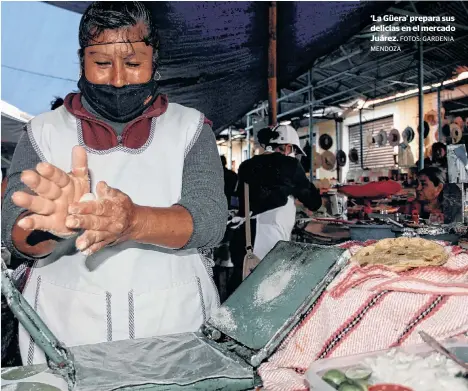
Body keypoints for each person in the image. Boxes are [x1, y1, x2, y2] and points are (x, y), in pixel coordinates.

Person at [1, 1, 227, 365]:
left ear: (155, 60)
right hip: (65, 331)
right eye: (102, 63)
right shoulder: (43, 131)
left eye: (134, 63)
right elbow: (14, 227)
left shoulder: (189, 128)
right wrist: (52, 231)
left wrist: (134, 221)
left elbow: (210, 218)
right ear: (82, 62)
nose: (119, 79)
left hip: (174, 328)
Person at [227, 125, 322, 294]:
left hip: (244, 237)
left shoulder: (246, 165)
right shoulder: (290, 165)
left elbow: (241, 200)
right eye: (294, 150)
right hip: (270, 240)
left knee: (241, 288)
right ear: (287, 147)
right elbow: (314, 202)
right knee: (269, 292)